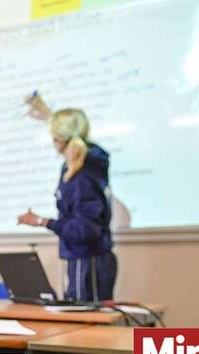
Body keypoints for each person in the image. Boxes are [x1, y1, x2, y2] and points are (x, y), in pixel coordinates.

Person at [18, 97, 117, 301]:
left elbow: (85, 229)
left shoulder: (83, 176)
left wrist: (42, 221)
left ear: (59, 139)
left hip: (89, 262)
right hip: (82, 259)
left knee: (85, 325)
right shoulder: (77, 167)